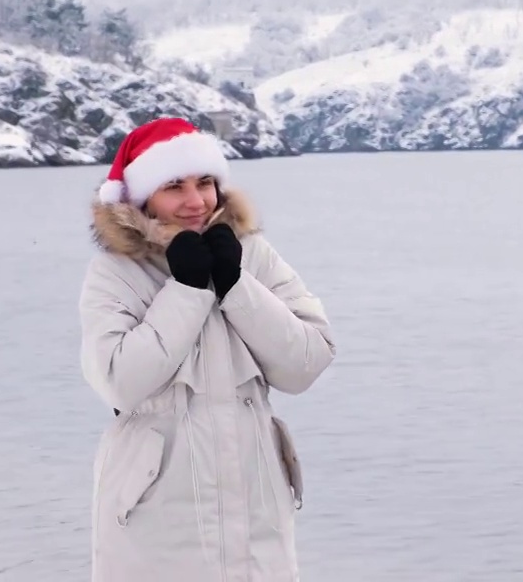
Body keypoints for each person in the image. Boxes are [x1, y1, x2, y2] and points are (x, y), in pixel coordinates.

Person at [78, 117, 336, 582]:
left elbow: (306, 363)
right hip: (156, 510)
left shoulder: (251, 254)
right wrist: (188, 289)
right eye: (174, 185)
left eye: (205, 183)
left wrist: (237, 286)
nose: (195, 201)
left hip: (255, 504)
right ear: (142, 195)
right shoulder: (115, 273)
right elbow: (119, 382)